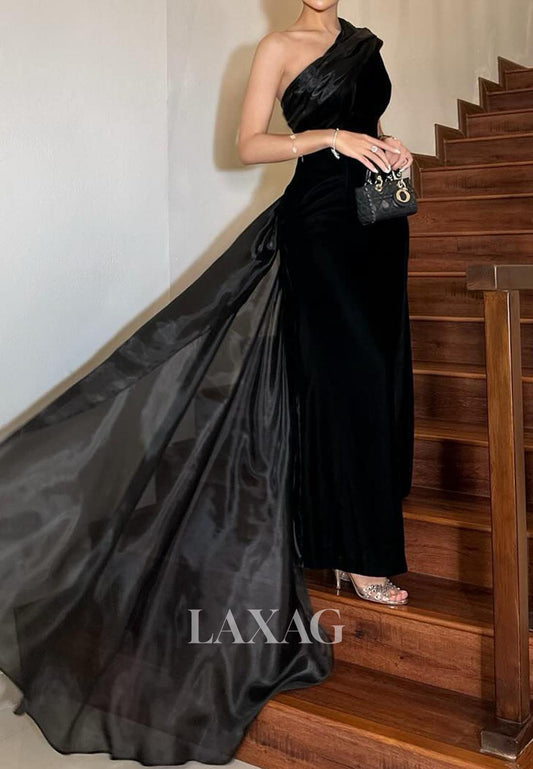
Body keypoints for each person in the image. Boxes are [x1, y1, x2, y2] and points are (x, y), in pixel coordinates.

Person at [0, 1, 414, 765]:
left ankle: (342, 532)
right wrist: (328, 137)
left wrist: (387, 147)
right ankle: (359, 552)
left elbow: (366, 122)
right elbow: (246, 144)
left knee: (373, 373)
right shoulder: (277, 46)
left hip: (377, 224)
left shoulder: (362, 44)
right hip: (319, 225)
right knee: (347, 379)